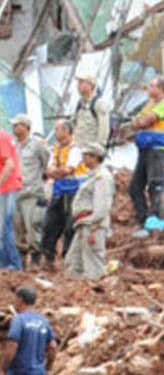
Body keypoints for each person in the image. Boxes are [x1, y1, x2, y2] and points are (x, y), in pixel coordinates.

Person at [0, 285, 56, 375]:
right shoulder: (43, 321)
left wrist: (2, 369)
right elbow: (53, 347)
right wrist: (48, 367)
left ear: (20, 300)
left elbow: (12, 346)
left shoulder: (19, 321)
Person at [129, 76, 164, 234]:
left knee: (155, 185)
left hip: (157, 150)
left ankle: (157, 221)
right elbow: (137, 122)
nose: (148, 88)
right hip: (145, 149)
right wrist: (138, 122)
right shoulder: (150, 103)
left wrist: (139, 122)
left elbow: (144, 122)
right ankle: (144, 221)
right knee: (135, 186)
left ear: (160, 89)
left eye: (151, 86)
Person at [64, 143, 114, 280]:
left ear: (95, 157)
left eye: (86, 156)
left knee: (93, 264)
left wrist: (93, 228)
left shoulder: (102, 177)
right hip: (83, 223)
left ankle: (97, 295)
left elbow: (102, 206)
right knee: (74, 262)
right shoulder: (92, 176)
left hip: (91, 225)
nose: (83, 159)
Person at [40, 120, 85, 271]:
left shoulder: (76, 149)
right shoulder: (56, 149)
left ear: (66, 131)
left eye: (58, 129)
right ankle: (48, 257)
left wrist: (56, 172)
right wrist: (57, 172)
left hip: (74, 192)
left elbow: (68, 169)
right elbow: (49, 170)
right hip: (59, 191)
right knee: (49, 225)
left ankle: (69, 261)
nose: (55, 132)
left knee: (70, 227)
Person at [11, 115, 48, 269]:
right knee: (18, 228)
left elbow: (45, 163)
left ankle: (35, 258)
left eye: (18, 125)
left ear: (26, 127)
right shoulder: (13, 146)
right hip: (15, 193)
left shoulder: (36, 145)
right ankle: (21, 259)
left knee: (33, 226)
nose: (15, 129)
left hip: (32, 192)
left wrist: (41, 180)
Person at [0, 122, 22, 270]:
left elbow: (9, 165)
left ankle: (12, 264)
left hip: (6, 188)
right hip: (5, 188)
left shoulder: (1, 138)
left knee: (4, 227)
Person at [72, 75, 110, 146]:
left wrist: (99, 148)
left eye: (81, 83)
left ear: (90, 85)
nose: (78, 86)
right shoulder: (80, 104)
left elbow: (104, 129)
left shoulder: (99, 104)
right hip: (78, 147)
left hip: (90, 150)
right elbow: (74, 124)